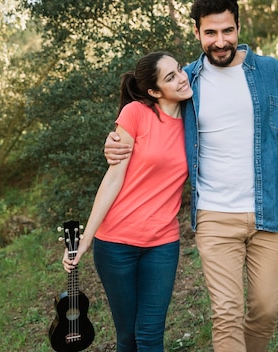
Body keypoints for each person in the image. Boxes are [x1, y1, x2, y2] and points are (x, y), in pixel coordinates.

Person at [104, 1, 278, 351]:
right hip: (215, 215)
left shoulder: (271, 72)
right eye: (210, 32)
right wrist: (113, 143)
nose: (219, 41)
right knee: (227, 313)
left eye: (227, 31)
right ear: (197, 32)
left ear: (239, 28)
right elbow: (146, 115)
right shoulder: (185, 81)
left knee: (266, 310)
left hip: (271, 212)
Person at [62, 51, 193, 352]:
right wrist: (85, 240)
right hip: (116, 244)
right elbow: (113, 178)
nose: (182, 78)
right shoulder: (135, 113)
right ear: (154, 91)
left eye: (180, 70)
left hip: (162, 244)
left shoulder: (193, 119)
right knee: (128, 337)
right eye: (170, 77)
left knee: (149, 334)